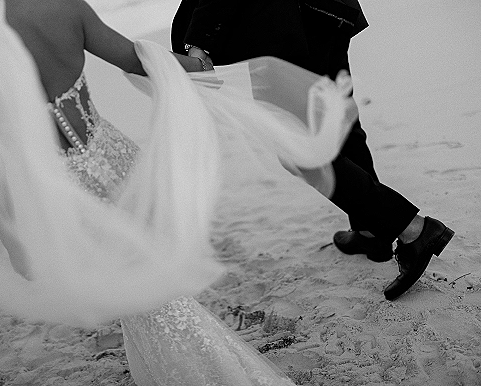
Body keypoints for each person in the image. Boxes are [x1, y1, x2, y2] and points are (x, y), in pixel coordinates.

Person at [0, 0, 364, 384]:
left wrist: (12, 240)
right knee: (149, 292)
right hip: (114, 158)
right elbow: (138, 60)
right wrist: (195, 63)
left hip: (58, 193)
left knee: (146, 300)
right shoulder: (61, 7)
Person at [171, 0, 455, 302]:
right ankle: (371, 231)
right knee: (338, 124)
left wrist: (200, 41)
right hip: (329, 8)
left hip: (281, 17)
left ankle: (413, 229)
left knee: (297, 147)